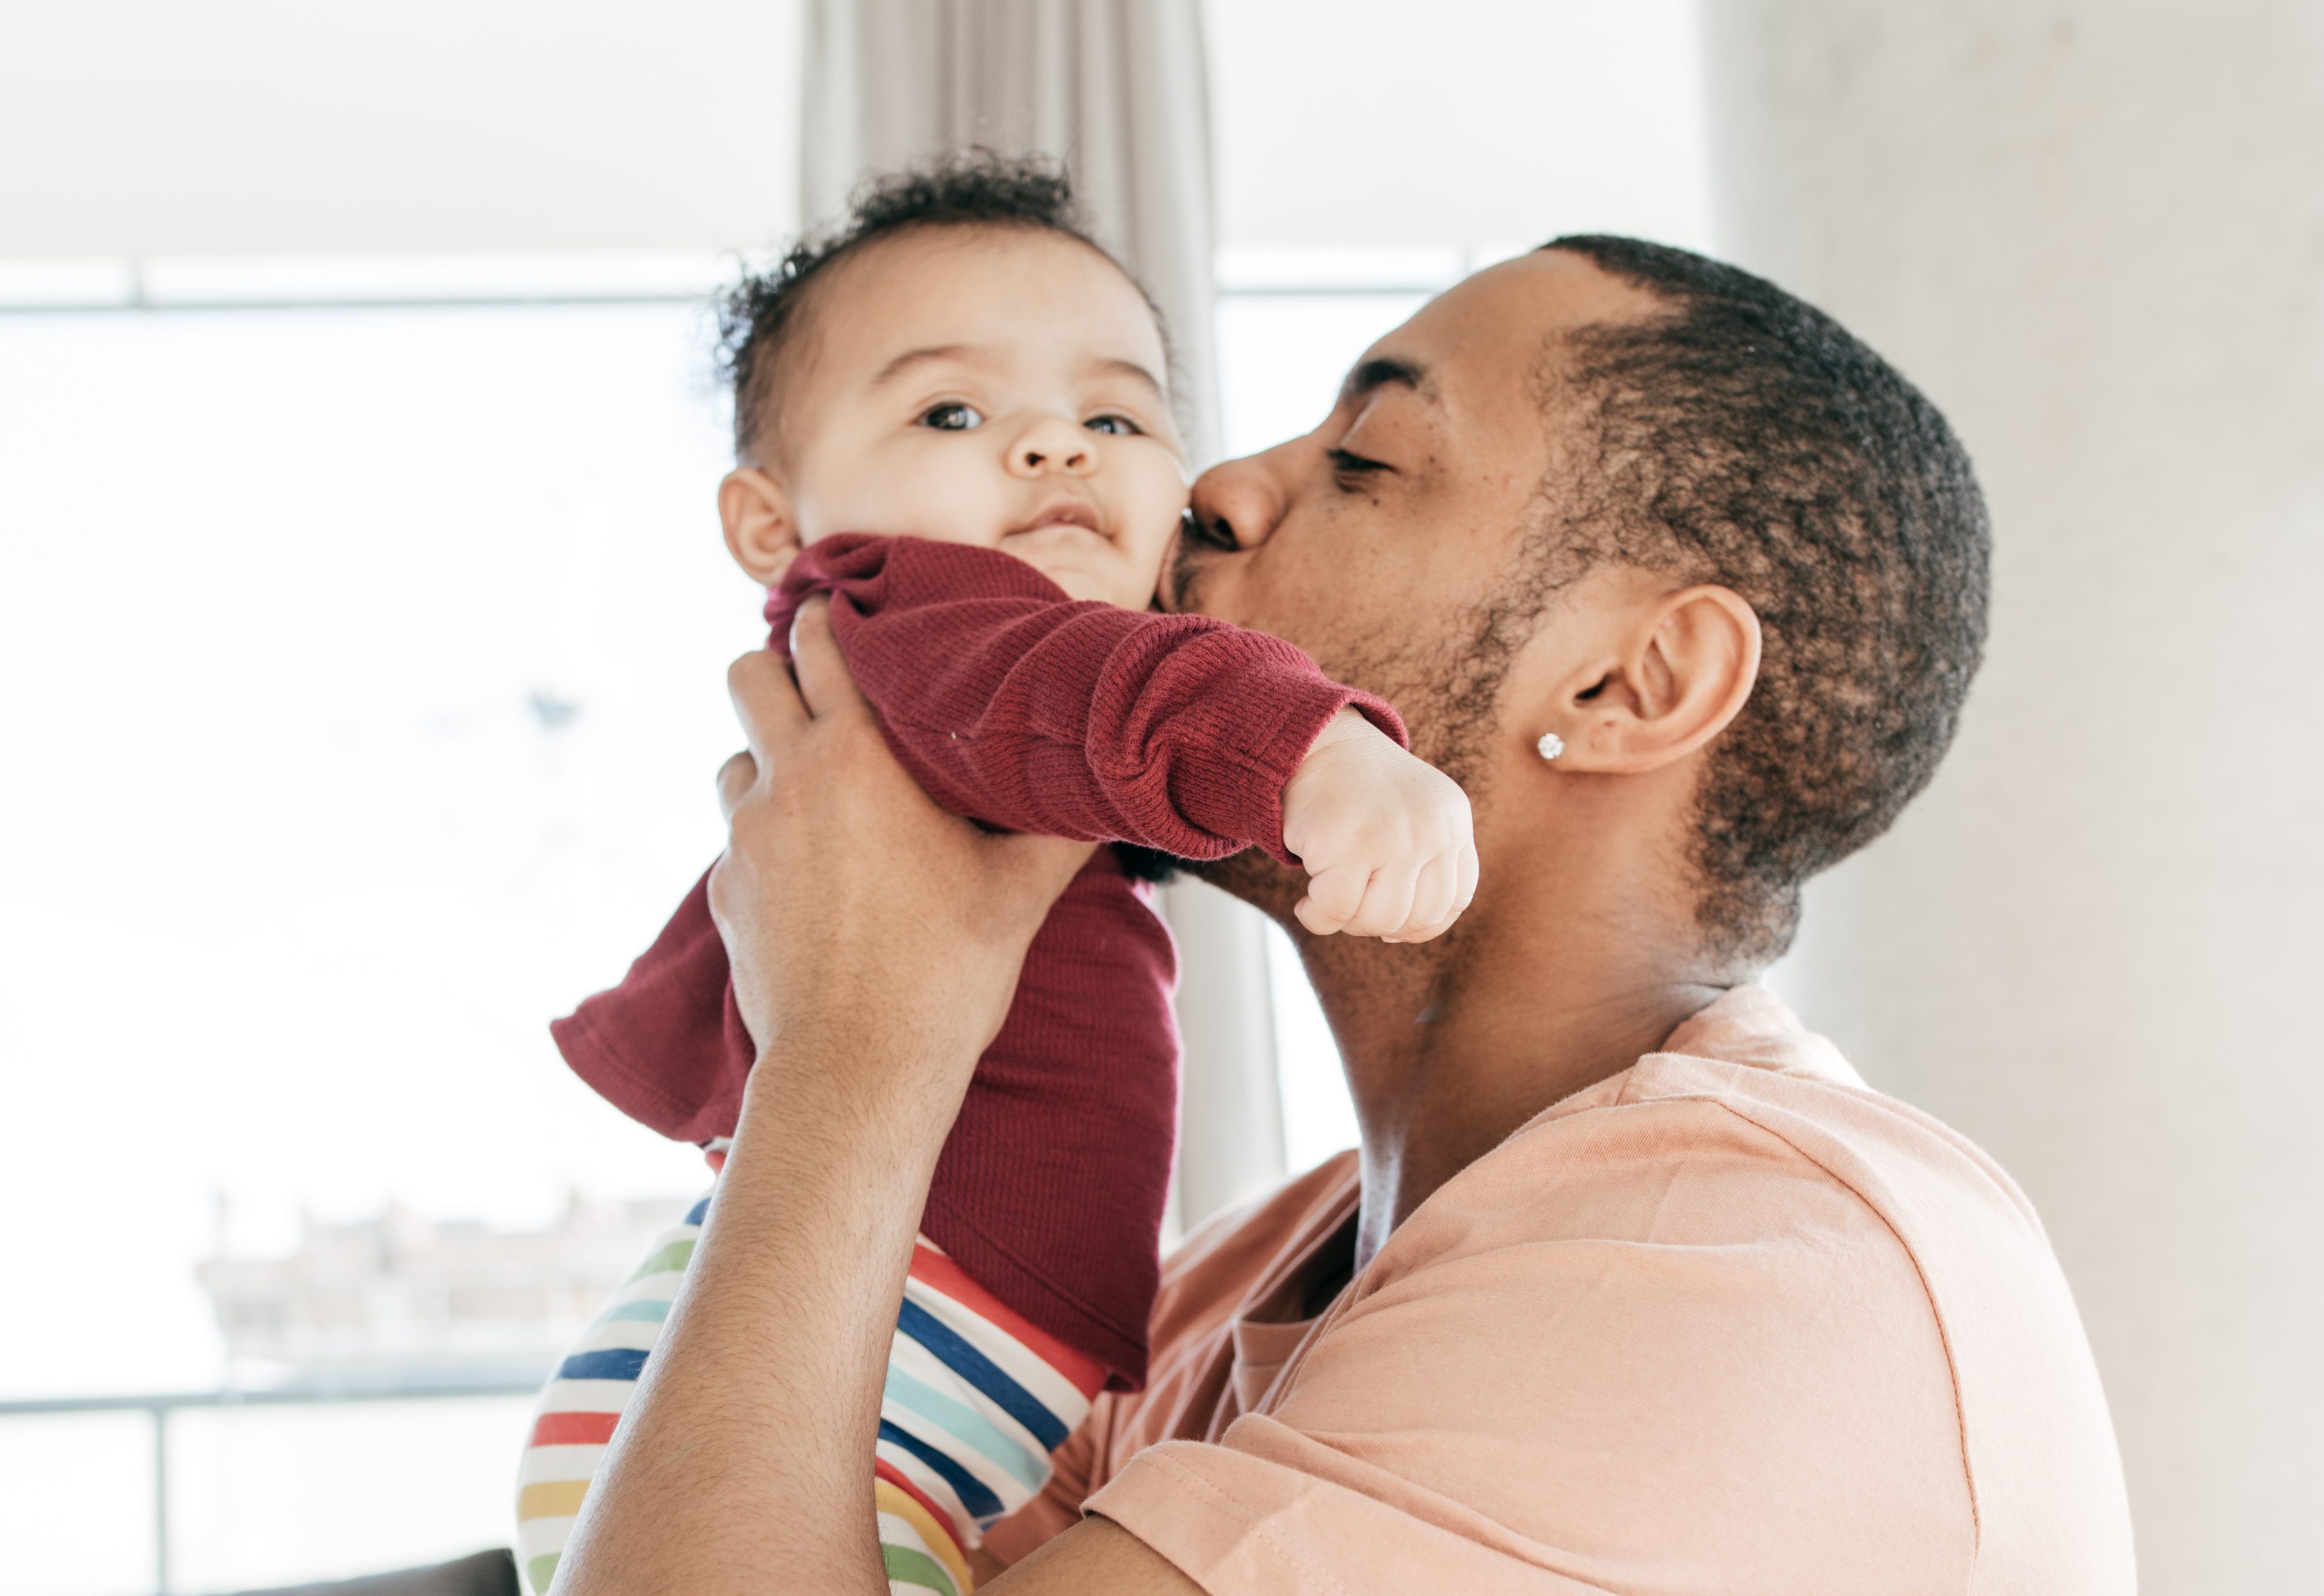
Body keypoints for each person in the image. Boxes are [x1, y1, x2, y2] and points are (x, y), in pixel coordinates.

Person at [548, 236, 2139, 1594]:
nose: (1218, 485)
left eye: (1363, 463)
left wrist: (852, 1046)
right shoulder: (1230, 1284)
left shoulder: (1738, 1262)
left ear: (1630, 682)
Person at [515, 160, 1475, 1596]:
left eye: (1116, 415)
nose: (1053, 451)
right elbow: (1096, 684)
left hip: (826, 1356)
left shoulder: (1004, 722)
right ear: (774, 526)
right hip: (858, 1355)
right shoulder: (912, 613)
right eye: (952, 412)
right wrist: (1324, 753)